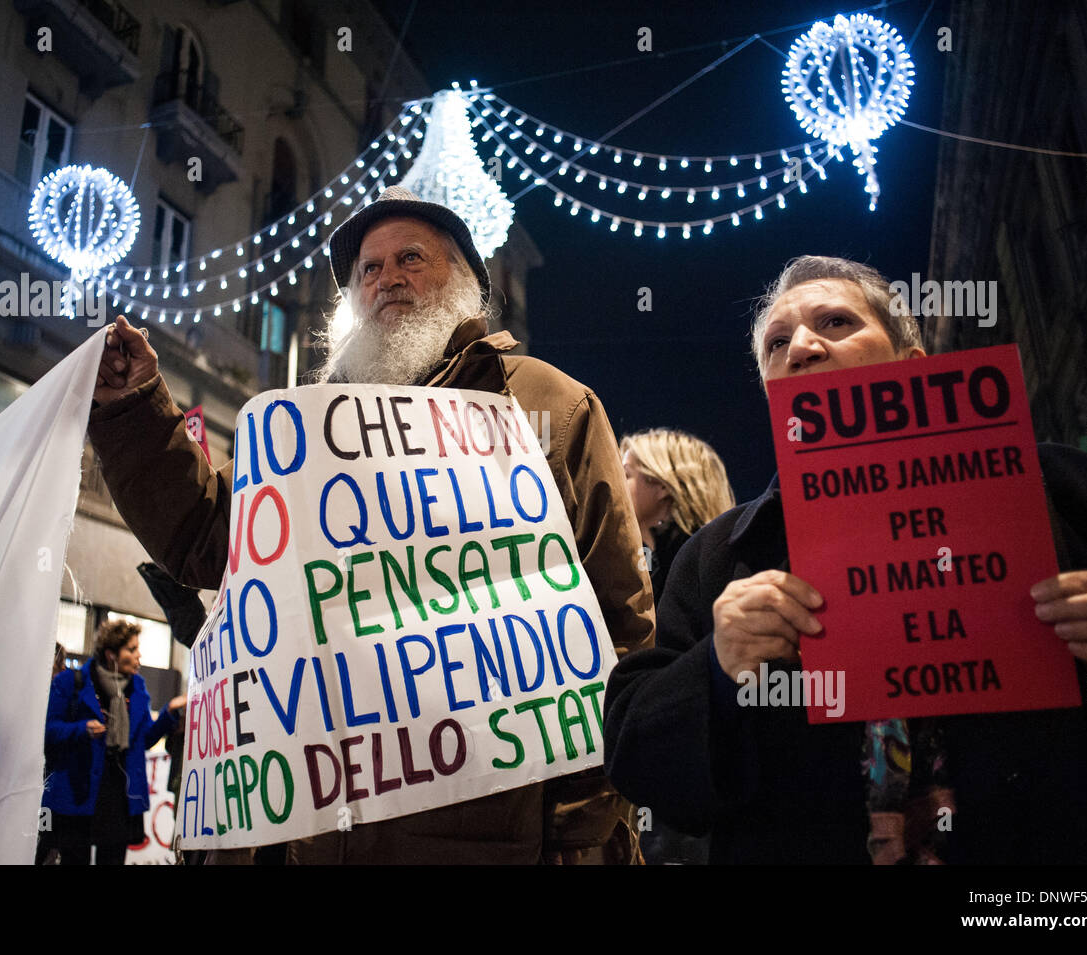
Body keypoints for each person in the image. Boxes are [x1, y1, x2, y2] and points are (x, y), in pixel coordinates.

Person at [86, 185, 655, 864]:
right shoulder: (310, 432)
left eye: (410, 257)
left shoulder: (546, 406)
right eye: (369, 269)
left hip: (493, 835)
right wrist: (134, 413)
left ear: (463, 279)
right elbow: (216, 540)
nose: (388, 278)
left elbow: (618, 633)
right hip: (329, 833)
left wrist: (582, 834)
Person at [603, 255, 1087, 864]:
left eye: (834, 323)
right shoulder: (718, 556)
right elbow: (642, 768)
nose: (802, 348)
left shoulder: (1063, 491)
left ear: (911, 364)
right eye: (777, 344)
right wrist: (716, 670)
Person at [618, 428, 734, 865]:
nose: (613, 478)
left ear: (663, 487)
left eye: (627, 472)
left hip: (689, 798)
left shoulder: (696, 573)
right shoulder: (641, 563)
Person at [41, 619, 185, 865]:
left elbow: (145, 740)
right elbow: (48, 732)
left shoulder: (137, 687)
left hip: (120, 795)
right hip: (79, 791)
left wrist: (169, 712)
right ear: (111, 655)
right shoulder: (70, 682)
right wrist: (81, 729)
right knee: (74, 860)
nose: (139, 655)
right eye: (131, 649)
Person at [621, 428, 735, 604]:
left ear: (662, 487)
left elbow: (648, 621)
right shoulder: (650, 549)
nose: (616, 483)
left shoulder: (700, 559)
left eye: (626, 474)